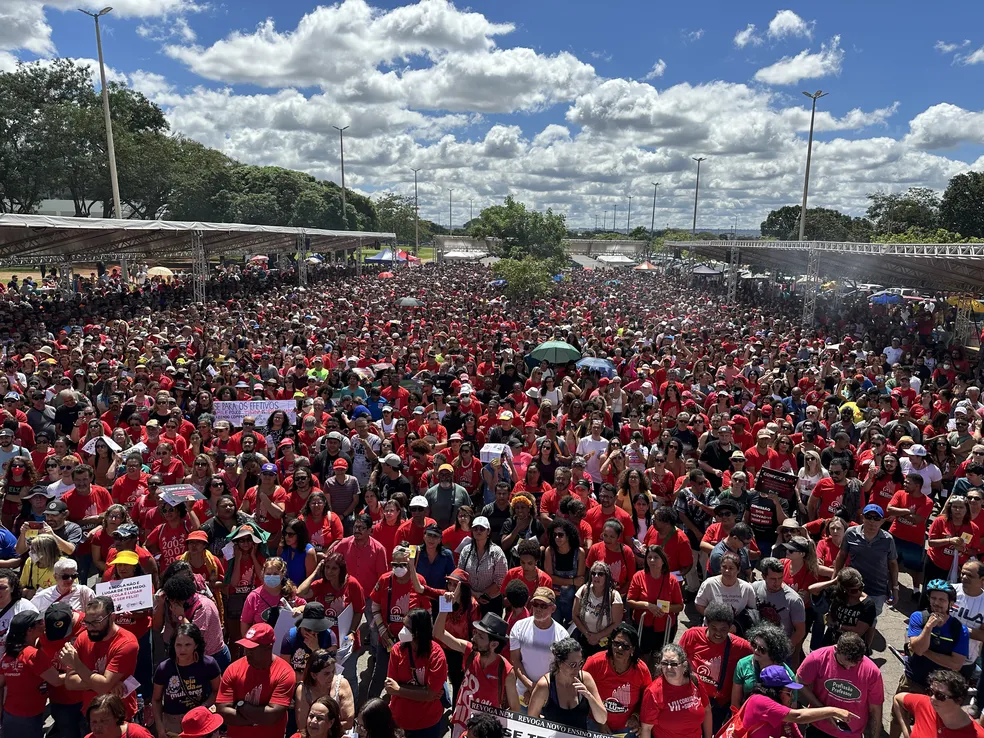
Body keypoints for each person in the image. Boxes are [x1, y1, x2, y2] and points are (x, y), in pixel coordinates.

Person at [434, 611, 518, 738]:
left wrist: (493, 728)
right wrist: (444, 607)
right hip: (461, 724)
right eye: (476, 633)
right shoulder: (470, 651)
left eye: (481, 636)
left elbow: (515, 709)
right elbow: (438, 634)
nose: (474, 638)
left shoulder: (506, 670)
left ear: (494, 644)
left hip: (482, 732)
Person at [60, 596, 140, 721]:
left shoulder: (127, 643)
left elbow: (102, 686)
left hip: (118, 716)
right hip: (91, 714)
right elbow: (70, 683)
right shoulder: (83, 638)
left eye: (97, 622)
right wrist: (105, 684)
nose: (90, 628)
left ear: (112, 617)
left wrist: (77, 664)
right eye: (87, 622)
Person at [678, 601, 751, 731]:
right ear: (707, 624)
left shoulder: (741, 646)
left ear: (730, 628)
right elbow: (677, 661)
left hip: (718, 706)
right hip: (692, 699)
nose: (718, 634)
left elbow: (761, 656)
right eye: (714, 628)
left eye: (723, 629)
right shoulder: (692, 635)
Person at [215, 622, 297, 738]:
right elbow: (223, 712)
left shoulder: (284, 673)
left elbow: (273, 716)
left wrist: (241, 706)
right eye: (245, 648)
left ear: (268, 648)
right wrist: (257, 719)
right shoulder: (233, 669)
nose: (247, 652)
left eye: (252, 649)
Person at [796, 632, 884, 738]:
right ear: (836, 649)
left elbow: (875, 709)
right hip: (818, 727)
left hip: (851, 734)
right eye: (843, 664)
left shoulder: (872, 672)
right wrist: (825, 712)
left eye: (853, 666)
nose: (847, 669)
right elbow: (800, 681)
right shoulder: (817, 658)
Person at [742, 665, 861, 738]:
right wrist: (833, 711)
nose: (792, 697)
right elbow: (798, 716)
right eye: (789, 692)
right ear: (776, 691)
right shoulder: (758, 701)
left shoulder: (785, 714)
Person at [898, 580, 970, 699]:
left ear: (951, 603)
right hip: (912, 682)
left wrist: (925, 652)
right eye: (933, 598)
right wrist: (928, 627)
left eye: (942, 600)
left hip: (939, 690)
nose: (936, 603)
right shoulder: (918, 617)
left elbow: (955, 664)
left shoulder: (959, 630)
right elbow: (918, 649)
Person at [384, 608, 448, 738]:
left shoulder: (436, 655)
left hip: (427, 724)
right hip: (399, 720)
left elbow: (430, 694)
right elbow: (390, 686)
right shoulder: (397, 650)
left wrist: (400, 690)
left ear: (418, 632)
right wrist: (423, 691)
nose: (402, 630)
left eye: (407, 627)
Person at [0, 609, 64, 737]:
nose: (44, 624)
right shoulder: (34, 655)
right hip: (30, 717)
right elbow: (56, 680)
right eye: (39, 622)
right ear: (29, 630)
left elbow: (0, 684)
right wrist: (77, 669)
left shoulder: (7, 655)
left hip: (9, 715)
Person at [151, 623, 221, 738]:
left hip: (200, 720)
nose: (182, 649)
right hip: (173, 722)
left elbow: (217, 691)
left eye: (188, 644)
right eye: (178, 645)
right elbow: (156, 699)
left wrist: (204, 706)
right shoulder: (164, 668)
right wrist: (160, 728)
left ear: (196, 645)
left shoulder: (208, 664)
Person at [583, 623, 653, 735]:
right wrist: (601, 723)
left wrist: (636, 716)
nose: (620, 648)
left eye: (625, 646)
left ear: (633, 650)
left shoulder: (642, 670)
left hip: (627, 727)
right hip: (595, 723)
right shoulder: (595, 663)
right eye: (616, 643)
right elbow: (583, 695)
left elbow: (647, 699)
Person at [526, 637, 608, 730]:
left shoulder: (585, 679)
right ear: (560, 663)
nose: (577, 669)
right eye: (573, 665)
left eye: (580, 663)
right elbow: (531, 720)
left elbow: (602, 719)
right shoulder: (545, 685)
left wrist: (589, 696)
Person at [834, 503, 899, 619]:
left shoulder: (888, 539)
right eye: (868, 517)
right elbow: (841, 556)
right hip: (853, 586)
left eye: (876, 518)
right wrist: (835, 579)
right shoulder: (850, 533)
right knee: (851, 617)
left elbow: (893, 564)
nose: (872, 522)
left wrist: (895, 588)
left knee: (870, 620)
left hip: (877, 589)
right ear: (862, 518)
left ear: (882, 521)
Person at [509, 587, 570, 706]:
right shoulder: (519, 627)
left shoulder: (563, 636)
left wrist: (540, 690)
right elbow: (515, 660)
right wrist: (530, 686)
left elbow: (561, 670)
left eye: (543, 606)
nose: (538, 609)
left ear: (553, 608)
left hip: (549, 694)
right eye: (535, 604)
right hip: (522, 692)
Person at [627, 544, 683, 668]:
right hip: (643, 624)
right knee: (643, 656)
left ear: (663, 560)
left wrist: (662, 608)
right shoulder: (639, 576)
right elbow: (630, 601)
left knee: (659, 657)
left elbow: (679, 606)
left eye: (656, 557)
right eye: (649, 557)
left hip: (664, 625)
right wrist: (648, 606)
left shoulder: (671, 580)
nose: (652, 560)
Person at [639, 643, 711, 738]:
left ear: (684, 666)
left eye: (673, 664)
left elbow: (707, 710)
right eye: (664, 663)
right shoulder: (653, 691)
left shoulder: (695, 681)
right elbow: (646, 728)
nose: (669, 668)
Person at [893, 669, 984, 738]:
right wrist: (907, 732)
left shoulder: (978, 735)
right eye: (931, 692)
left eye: (940, 695)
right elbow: (897, 699)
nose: (932, 698)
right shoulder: (924, 704)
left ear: (959, 700)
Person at [731, 623, 794, 707]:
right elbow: (735, 702)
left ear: (773, 652)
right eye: (754, 644)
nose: (756, 650)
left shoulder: (787, 675)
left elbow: (792, 706)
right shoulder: (743, 664)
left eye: (762, 649)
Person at [752, 557, 807, 653]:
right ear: (764, 576)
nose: (777, 582)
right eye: (773, 579)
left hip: (779, 649)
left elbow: (800, 631)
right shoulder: (755, 588)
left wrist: (785, 648)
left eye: (780, 578)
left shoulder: (793, 600)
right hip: (757, 645)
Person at [295, 649, 355, 733]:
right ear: (314, 675)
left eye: (333, 672)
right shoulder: (303, 690)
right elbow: (302, 727)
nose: (331, 676)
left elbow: (348, 722)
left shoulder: (342, 684)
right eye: (326, 673)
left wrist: (324, 730)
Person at [572, 561, 624, 657]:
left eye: (600, 574)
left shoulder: (614, 596)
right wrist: (587, 634)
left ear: (606, 577)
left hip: (604, 642)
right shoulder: (583, 590)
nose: (596, 576)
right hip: (585, 638)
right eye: (593, 573)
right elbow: (575, 615)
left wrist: (598, 636)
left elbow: (616, 623)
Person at [694, 552, 756, 619]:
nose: (727, 571)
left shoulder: (747, 588)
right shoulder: (709, 584)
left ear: (738, 570)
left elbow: (752, 611)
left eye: (731, 568)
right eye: (724, 567)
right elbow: (699, 604)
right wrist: (712, 619)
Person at [84, 694, 154, 738]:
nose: (97, 727)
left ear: (117, 717)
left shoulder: (137, 734)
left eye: (103, 721)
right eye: (94, 722)